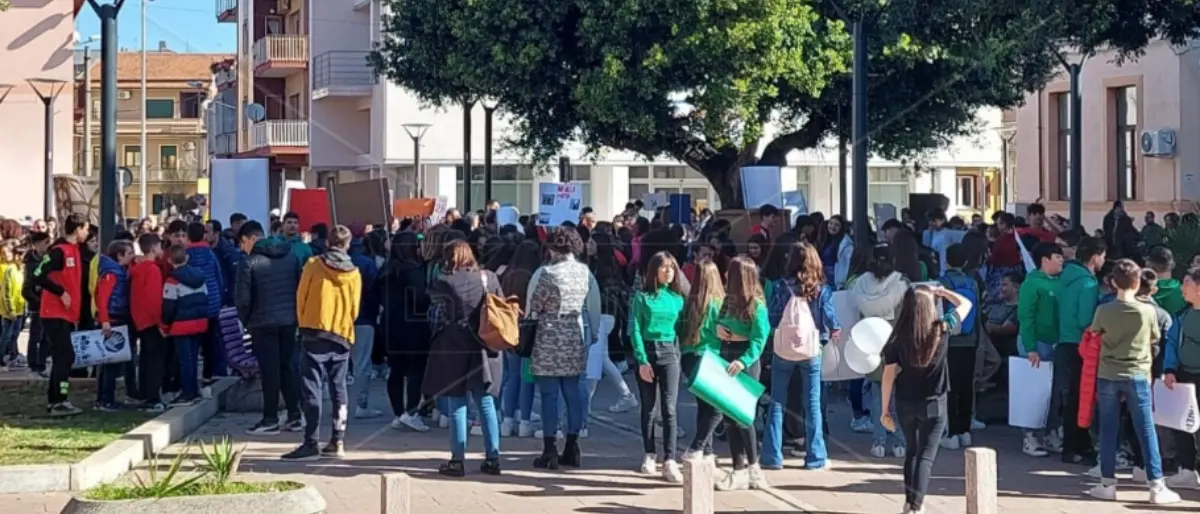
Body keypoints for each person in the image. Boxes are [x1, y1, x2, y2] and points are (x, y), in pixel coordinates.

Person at [1087, 259, 1180, 504]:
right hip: (1138, 374)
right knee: (1146, 429)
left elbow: (1095, 332)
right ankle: (1156, 486)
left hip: (1107, 374)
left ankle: (1107, 482)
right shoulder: (1148, 311)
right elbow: (1155, 337)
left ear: (1113, 282)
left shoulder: (1103, 310)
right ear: (1138, 282)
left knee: (1108, 429)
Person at [879, 284, 974, 514]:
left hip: (905, 402)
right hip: (934, 401)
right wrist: (942, 292)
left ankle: (908, 501)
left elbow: (888, 376)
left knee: (911, 451)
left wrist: (884, 410)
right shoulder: (942, 329)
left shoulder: (897, 338)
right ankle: (916, 506)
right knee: (926, 457)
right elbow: (967, 304)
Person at [424, 240, 504, 477]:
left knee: (457, 402)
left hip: (453, 344)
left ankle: (457, 460)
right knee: (485, 402)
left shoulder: (444, 281)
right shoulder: (488, 277)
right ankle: (493, 458)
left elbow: (433, 310)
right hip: (483, 345)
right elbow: (498, 304)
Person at [284, 225, 362, 461]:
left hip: (314, 331)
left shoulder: (313, 265)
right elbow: (354, 308)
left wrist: (303, 323)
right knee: (339, 388)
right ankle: (337, 440)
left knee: (311, 387)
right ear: (347, 245)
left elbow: (301, 297)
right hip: (341, 334)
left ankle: (311, 441)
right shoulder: (354, 273)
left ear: (328, 242)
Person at [761, 242, 837, 471]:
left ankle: (772, 456)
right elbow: (831, 321)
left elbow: (772, 319)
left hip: (783, 349)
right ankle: (815, 457)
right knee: (812, 403)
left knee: (777, 402)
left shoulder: (780, 287)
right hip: (811, 350)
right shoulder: (822, 289)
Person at [528, 228, 600, 468]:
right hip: (574, 334)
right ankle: (573, 445)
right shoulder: (585, 272)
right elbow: (591, 304)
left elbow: (535, 305)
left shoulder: (548, 273)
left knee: (549, 395)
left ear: (553, 248)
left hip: (550, 336)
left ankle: (549, 449)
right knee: (573, 393)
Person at [236, 220, 304, 435]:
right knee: (287, 368)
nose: (242, 247)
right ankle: (294, 414)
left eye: (243, 242)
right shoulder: (290, 255)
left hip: (262, 323)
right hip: (288, 320)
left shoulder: (249, 262)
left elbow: (243, 299)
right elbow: (299, 287)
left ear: (252, 239)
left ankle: (270, 418)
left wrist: (247, 321)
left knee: (269, 371)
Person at [712, 256, 769, 491]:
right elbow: (717, 321)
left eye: (730, 272)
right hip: (725, 357)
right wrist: (718, 328)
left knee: (744, 417)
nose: (725, 275)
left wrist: (743, 361)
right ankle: (737, 468)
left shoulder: (756, 305)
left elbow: (759, 338)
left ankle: (754, 467)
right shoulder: (727, 301)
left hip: (744, 362)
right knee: (728, 417)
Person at [630, 251, 687, 481]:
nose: (669, 271)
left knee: (670, 408)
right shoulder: (642, 297)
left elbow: (682, 330)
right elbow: (634, 329)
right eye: (664, 267)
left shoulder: (678, 299)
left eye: (672, 267)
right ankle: (650, 453)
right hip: (648, 350)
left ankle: (670, 458)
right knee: (649, 408)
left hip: (670, 353)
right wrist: (642, 360)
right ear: (655, 270)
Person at [850, 244, 909, 457]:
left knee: (877, 397)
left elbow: (858, 318)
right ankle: (901, 442)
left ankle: (878, 443)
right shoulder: (901, 284)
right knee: (899, 396)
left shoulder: (860, 285)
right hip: (896, 346)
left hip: (872, 346)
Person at [1054, 236, 1105, 464]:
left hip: (1064, 342)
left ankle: (1074, 446)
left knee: (1070, 397)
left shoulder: (1064, 278)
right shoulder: (1088, 284)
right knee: (1080, 398)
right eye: (1103, 256)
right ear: (1095, 257)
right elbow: (1086, 320)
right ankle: (1075, 447)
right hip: (1081, 346)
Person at [35, 213, 89, 416]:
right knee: (65, 356)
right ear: (77, 229)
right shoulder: (59, 251)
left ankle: (57, 398)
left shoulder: (74, 251)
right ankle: (59, 399)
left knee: (64, 357)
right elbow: (38, 274)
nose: (87, 233)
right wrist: (60, 292)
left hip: (66, 314)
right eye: (85, 228)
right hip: (53, 313)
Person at [1017, 242, 1064, 456]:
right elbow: (1025, 316)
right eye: (1057, 256)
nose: (1061, 260)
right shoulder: (1032, 283)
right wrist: (1030, 347)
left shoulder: (1059, 282)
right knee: (1033, 391)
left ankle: (1049, 432)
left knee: (1053, 392)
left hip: (1054, 343)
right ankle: (1030, 436)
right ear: (1044, 260)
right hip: (1036, 344)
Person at [382, 231, 432, 432]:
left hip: (391, 325)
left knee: (396, 370)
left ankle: (398, 412)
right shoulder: (411, 270)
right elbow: (420, 298)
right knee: (416, 370)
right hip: (413, 325)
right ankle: (411, 412)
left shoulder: (387, 269)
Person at [936, 244, 983, 450]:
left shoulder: (942, 283)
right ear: (965, 262)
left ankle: (951, 432)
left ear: (946, 261)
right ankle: (965, 430)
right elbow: (978, 313)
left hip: (950, 340)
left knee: (949, 386)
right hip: (970, 340)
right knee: (966, 386)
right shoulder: (972, 283)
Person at [679, 259, 724, 464]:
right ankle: (696, 447)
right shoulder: (720, 305)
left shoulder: (689, 303)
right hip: (710, 358)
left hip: (689, 357)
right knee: (717, 409)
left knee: (703, 406)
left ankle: (707, 451)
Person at [497, 240, 541, 436]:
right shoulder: (533, 276)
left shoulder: (507, 274)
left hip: (508, 328)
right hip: (529, 331)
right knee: (527, 378)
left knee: (511, 376)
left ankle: (507, 421)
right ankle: (524, 421)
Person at [1163, 266, 1200, 489]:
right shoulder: (1182, 315)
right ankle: (1186, 470)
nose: (1182, 289)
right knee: (1183, 424)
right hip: (1185, 376)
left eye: (1187, 284)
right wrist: (1170, 370)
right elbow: (1171, 344)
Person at [161, 244, 210, 405]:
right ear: (187, 258)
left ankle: (188, 392)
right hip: (200, 322)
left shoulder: (172, 280)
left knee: (184, 359)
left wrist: (165, 326)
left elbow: (168, 307)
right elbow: (206, 297)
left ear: (169, 260)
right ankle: (194, 389)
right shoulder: (200, 276)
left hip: (181, 324)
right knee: (194, 357)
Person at [93, 240, 135, 411]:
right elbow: (102, 298)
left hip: (114, 318)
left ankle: (103, 398)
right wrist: (105, 321)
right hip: (112, 319)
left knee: (109, 362)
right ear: (119, 255)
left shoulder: (118, 271)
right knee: (111, 361)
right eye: (129, 253)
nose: (132, 257)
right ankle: (106, 399)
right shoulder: (112, 274)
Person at [185, 222, 226, 389]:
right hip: (212, 303)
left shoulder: (186, 255)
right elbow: (218, 276)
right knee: (210, 343)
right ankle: (208, 375)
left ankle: (190, 378)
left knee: (192, 345)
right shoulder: (210, 254)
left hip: (192, 305)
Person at [346, 226, 381, 419]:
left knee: (337, 363)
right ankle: (361, 404)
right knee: (361, 364)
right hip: (363, 317)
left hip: (337, 319)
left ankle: (338, 405)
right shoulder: (368, 263)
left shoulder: (333, 262)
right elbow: (375, 292)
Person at [130, 234, 167, 412]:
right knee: (155, 360)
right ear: (153, 249)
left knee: (145, 358)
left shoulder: (137, 269)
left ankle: (145, 393)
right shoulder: (153, 270)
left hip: (140, 319)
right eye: (159, 246)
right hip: (152, 321)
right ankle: (153, 397)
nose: (162, 250)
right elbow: (154, 299)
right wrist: (161, 323)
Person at [22, 232, 52, 377]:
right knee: (36, 335)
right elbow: (26, 289)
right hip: (38, 305)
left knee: (46, 336)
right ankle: (33, 364)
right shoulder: (31, 262)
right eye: (45, 243)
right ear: (36, 244)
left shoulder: (49, 259)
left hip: (49, 304)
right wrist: (37, 302)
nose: (48, 246)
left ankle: (42, 363)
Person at [0, 242, 25, 370]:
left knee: (15, 334)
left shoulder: (20, 270)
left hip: (20, 308)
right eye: (18, 254)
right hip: (11, 310)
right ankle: (1, 359)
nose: (20, 257)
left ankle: (13, 356)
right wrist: (11, 310)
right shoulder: (10, 270)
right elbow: (7, 292)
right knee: (6, 335)